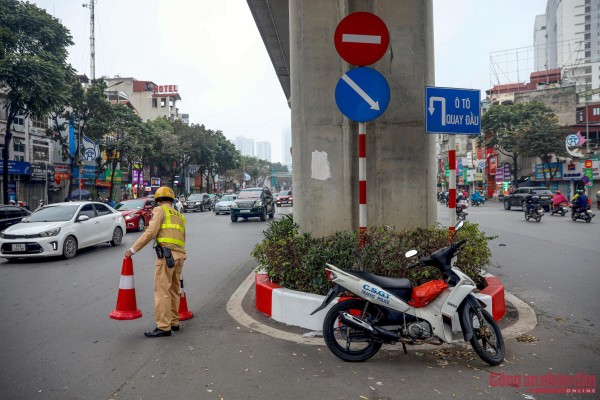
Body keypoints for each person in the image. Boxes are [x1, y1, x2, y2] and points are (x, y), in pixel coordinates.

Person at [125, 186, 186, 338]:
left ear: (158, 200)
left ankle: (164, 327)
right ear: (171, 199)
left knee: (161, 291)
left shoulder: (160, 210)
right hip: (179, 257)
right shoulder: (179, 214)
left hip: (166, 256)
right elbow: (183, 238)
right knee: (173, 290)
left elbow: (150, 232)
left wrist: (133, 250)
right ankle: (174, 322)